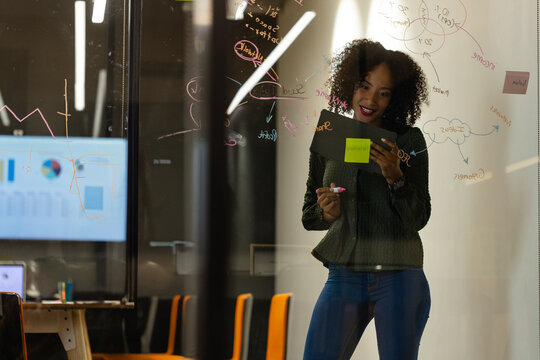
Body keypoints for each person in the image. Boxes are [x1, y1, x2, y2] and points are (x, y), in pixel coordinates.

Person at [302, 39, 431, 360]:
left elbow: (419, 217)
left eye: (383, 92)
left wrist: (395, 178)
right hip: (344, 274)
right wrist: (327, 212)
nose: (370, 99)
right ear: (350, 85)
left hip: (400, 275)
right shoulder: (330, 133)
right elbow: (309, 215)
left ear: (396, 97)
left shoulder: (409, 140)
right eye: (364, 86)